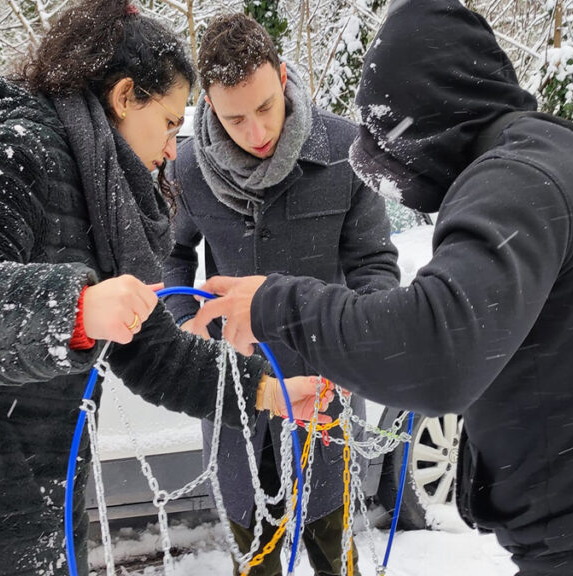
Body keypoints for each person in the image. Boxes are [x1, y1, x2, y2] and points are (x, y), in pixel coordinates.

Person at [190, 0, 573, 574]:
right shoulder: (547, 154)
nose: (406, 185)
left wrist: (277, 305)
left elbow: (435, 350)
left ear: (431, 117)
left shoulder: (518, 179)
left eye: (401, 160)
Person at [0, 2, 330, 575]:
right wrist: (74, 308)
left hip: (36, 516)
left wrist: (265, 391)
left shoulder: (103, 193)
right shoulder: (17, 146)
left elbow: (154, 353)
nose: (175, 148)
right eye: (172, 122)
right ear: (126, 97)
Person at [161, 13, 399, 576]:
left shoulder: (345, 149)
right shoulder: (188, 166)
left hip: (324, 395)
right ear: (210, 106)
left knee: (336, 557)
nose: (255, 130)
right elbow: (169, 258)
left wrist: (358, 342)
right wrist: (186, 324)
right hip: (236, 397)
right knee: (255, 558)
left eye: (265, 107)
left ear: (283, 75)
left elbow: (374, 264)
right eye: (234, 117)